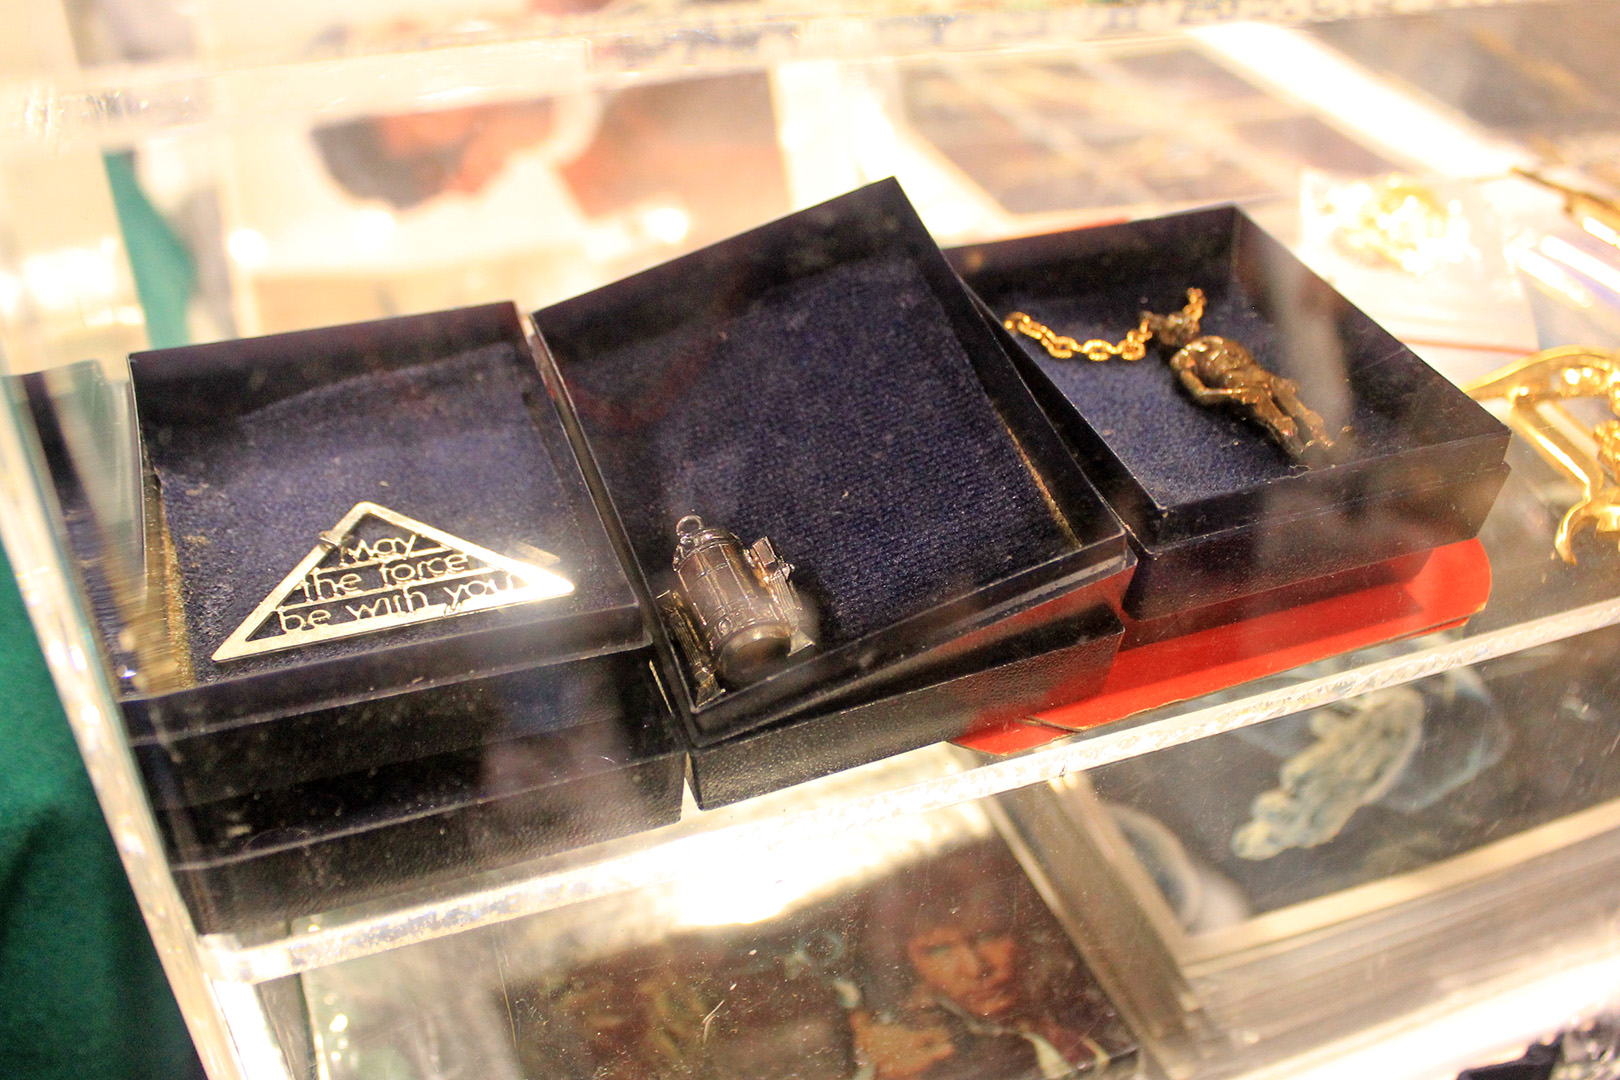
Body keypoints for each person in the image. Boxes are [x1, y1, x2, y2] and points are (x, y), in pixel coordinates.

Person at [849, 844, 1125, 1080]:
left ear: (1023, 930)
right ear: (909, 963)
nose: (975, 968)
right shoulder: (927, 1055)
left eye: (989, 936)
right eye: (939, 950)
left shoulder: (1096, 998)